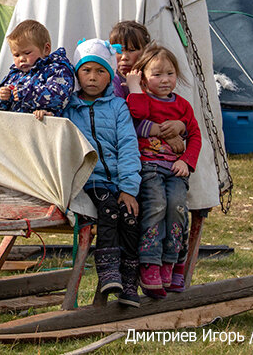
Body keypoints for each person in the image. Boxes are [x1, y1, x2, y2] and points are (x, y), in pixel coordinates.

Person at [57, 38, 142, 307]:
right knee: (109, 210)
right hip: (89, 180)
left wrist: (129, 188)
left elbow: (129, 147)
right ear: (77, 74)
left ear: (110, 76)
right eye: (86, 71)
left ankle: (129, 284)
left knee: (130, 219)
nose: (92, 77)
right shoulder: (68, 108)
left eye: (100, 71)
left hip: (117, 180)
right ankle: (108, 273)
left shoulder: (118, 107)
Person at [125, 43, 202, 298]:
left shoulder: (183, 107)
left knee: (177, 208)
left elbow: (195, 135)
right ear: (144, 78)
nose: (165, 80)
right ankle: (150, 263)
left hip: (174, 170)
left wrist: (187, 162)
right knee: (156, 206)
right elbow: (136, 114)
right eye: (156, 74)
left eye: (170, 73)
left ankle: (171, 262)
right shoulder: (142, 101)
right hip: (149, 168)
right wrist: (135, 88)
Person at [110, 20, 187, 154]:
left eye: (132, 50)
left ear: (146, 51)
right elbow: (122, 121)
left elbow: (168, 111)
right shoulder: (113, 83)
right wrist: (164, 133)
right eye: (118, 51)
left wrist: (179, 126)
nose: (124, 57)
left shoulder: (153, 80)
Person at [0, 19, 74, 117]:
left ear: (46, 49)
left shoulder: (57, 70)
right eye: (16, 55)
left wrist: (26, 93)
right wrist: (0, 97)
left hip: (43, 127)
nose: (21, 59)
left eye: (27, 53)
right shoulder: (15, 74)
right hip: (14, 127)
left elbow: (59, 96)